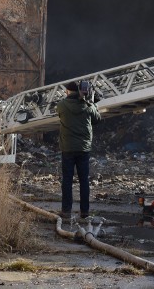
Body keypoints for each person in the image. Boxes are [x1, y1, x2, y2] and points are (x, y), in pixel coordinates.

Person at [57, 81, 102, 219]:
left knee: (67, 181)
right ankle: (84, 211)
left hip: (68, 148)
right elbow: (97, 120)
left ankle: (66, 211)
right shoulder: (88, 106)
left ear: (68, 92)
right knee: (84, 181)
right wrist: (93, 103)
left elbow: (60, 115)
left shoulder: (62, 105)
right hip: (83, 149)